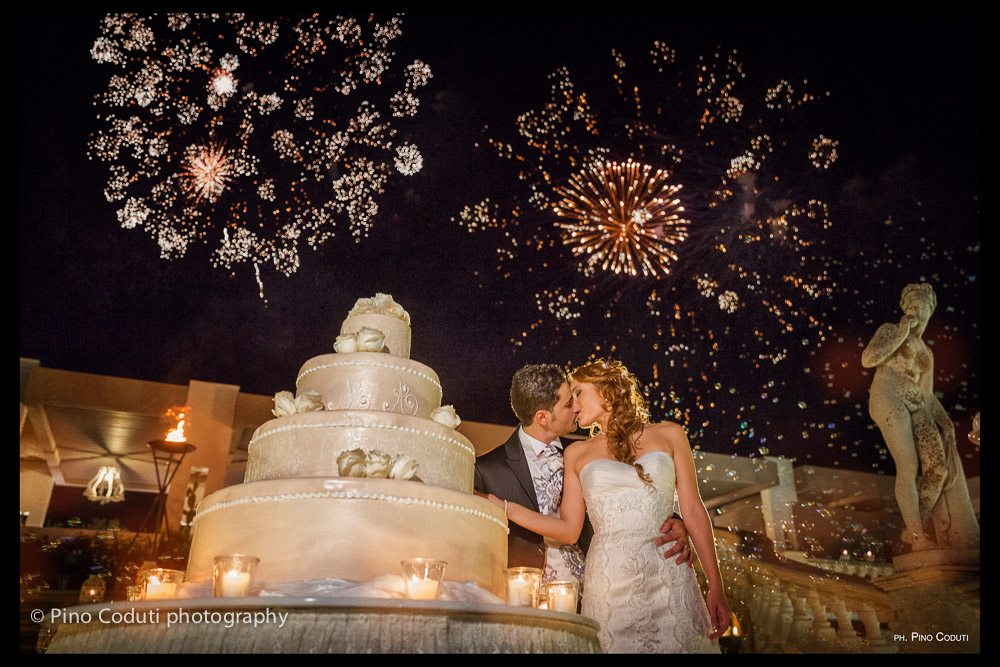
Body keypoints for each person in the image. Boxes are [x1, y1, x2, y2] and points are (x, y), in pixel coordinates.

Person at [486, 359, 729, 653]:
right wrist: (505, 507)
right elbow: (569, 529)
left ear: (606, 390)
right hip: (609, 584)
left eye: (577, 393)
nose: (573, 406)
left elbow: (693, 509)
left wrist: (716, 585)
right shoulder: (576, 453)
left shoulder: (670, 434)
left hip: (668, 574)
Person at [474, 364, 691, 591]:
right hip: (526, 597)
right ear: (542, 417)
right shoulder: (487, 469)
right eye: (569, 404)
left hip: (600, 588)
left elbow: (634, 489)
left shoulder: (587, 453)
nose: (576, 408)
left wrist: (674, 522)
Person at [862, 283, 979, 551]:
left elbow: (927, 395)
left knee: (939, 468)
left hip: (918, 405)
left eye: (920, 305)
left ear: (928, 310)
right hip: (888, 396)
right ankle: (917, 537)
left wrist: (945, 421)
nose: (915, 309)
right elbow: (868, 360)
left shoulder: (927, 354)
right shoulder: (891, 330)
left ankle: (916, 522)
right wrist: (901, 334)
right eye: (910, 305)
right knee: (908, 465)